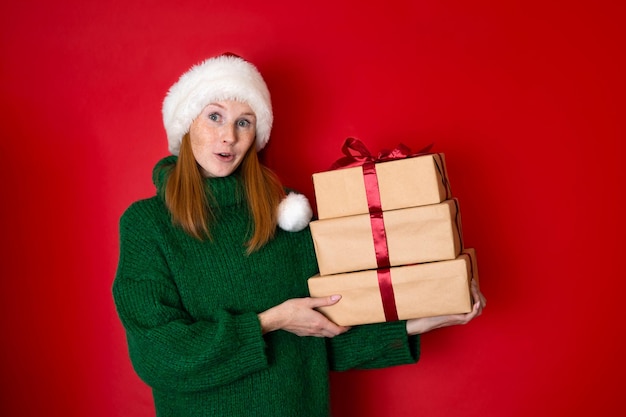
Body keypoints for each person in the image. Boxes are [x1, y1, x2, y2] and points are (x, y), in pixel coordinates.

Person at [112, 53, 486, 417]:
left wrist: (429, 320)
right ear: (186, 123)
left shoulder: (286, 216)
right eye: (214, 117)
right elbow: (159, 355)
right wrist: (269, 320)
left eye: (245, 122)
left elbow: (321, 339)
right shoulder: (149, 224)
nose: (229, 136)